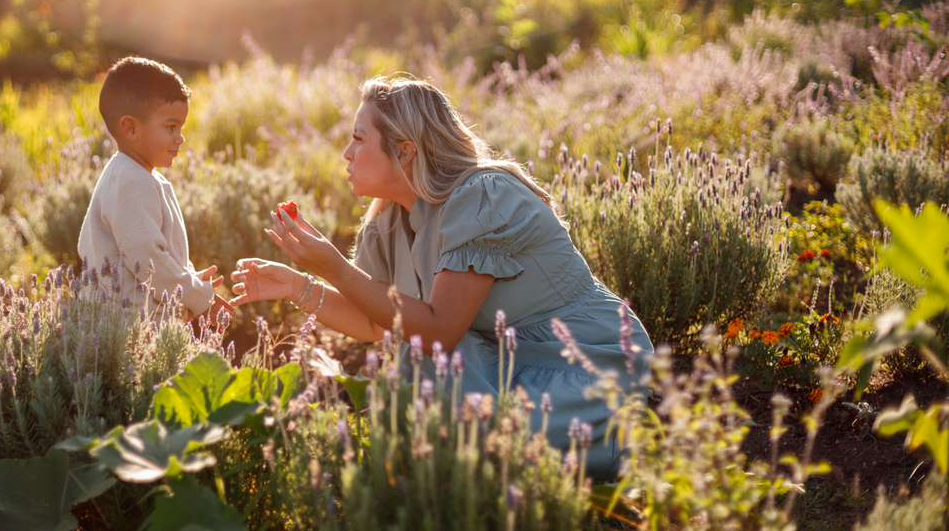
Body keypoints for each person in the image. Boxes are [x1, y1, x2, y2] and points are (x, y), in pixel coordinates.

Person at [229, 75, 651, 478]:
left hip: (586, 369)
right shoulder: (388, 222)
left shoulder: (483, 196)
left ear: (406, 150)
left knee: (428, 365)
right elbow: (376, 323)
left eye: (358, 139)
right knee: (424, 376)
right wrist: (299, 286)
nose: (346, 153)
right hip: (511, 366)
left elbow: (438, 331)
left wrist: (335, 267)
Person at [77, 57, 230, 321]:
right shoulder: (130, 182)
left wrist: (189, 280)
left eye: (181, 127)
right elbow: (149, 262)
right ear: (131, 128)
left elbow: (157, 253)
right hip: (127, 331)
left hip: (139, 323)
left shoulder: (138, 175)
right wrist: (196, 296)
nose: (180, 138)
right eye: (171, 127)